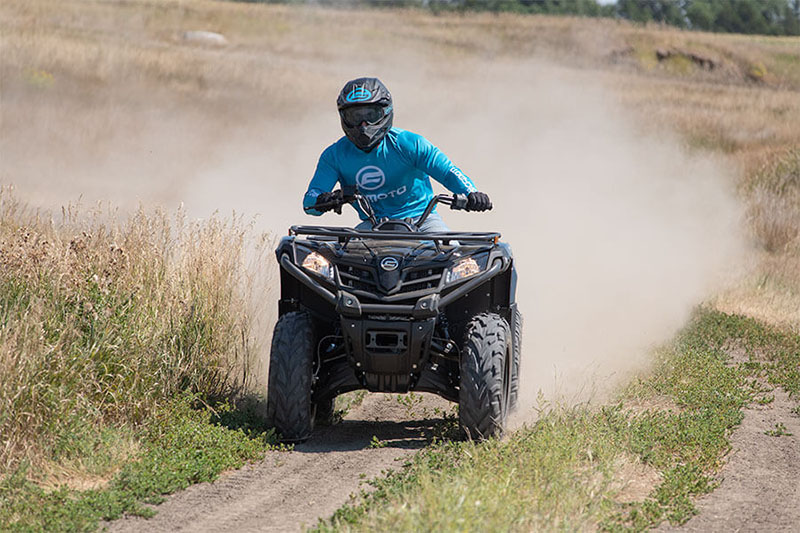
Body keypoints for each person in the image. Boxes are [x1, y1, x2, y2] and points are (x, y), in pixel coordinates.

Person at [303, 77, 492, 232]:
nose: (363, 126)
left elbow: (448, 172)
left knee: (456, 258)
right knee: (333, 264)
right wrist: (324, 200)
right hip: (372, 227)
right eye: (355, 117)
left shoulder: (410, 143)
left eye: (371, 115)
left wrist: (471, 193)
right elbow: (309, 202)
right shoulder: (333, 156)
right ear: (343, 118)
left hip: (424, 224)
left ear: (386, 112)